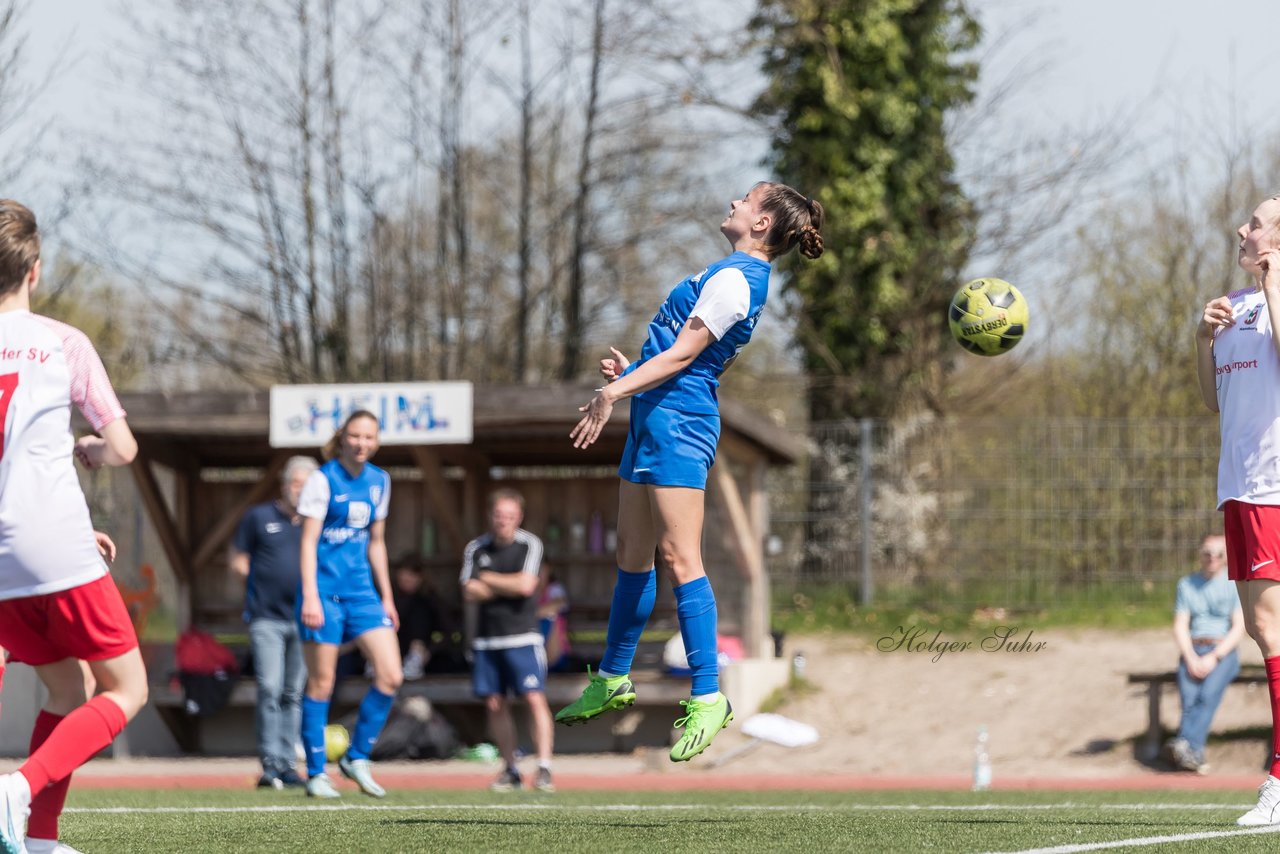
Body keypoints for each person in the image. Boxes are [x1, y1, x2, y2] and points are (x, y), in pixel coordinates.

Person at [555, 182, 824, 762]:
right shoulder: (725, 272)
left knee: (681, 559)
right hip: (657, 413)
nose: (734, 202)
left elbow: (683, 359)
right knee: (631, 554)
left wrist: (613, 392)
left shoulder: (737, 278)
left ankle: (708, 696)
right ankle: (613, 677)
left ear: (762, 224)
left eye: (747, 200)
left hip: (679, 424)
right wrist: (634, 372)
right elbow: (677, 357)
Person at [0, 200, 148, 854]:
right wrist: (87, 451)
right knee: (127, 688)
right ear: (34, 270)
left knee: (68, 685)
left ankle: (36, 838)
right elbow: (123, 447)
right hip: (51, 544)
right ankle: (20, 789)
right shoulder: (63, 343)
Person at [1198, 193, 1280, 825]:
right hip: (1241, 487)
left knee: (1275, 631)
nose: (1241, 229)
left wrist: (1274, 279)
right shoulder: (1239, 306)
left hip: (1275, 487)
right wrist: (1204, 340)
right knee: (1261, 632)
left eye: (1255, 223)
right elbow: (1213, 400)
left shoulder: (1274, 299)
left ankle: (1278, 779)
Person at [296, 410, 402, 799]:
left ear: (376, 441)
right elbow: (308, 542)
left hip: (362, 594)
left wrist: (387, 597)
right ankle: (314, 773)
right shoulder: (322, 480)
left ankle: (356, 757)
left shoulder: (380, 481)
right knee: (322, 683)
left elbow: (377, 542)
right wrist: (309, 594)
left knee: (391, 674)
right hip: (323, 593)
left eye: (368, 437)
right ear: (343, 438)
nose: (361, 443)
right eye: (354, 436)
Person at [230, 455, 318, 790]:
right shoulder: (259, 517)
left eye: (307, 485)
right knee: (269, 688)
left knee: (293, 693)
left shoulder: (315, 522)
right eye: (297, 484)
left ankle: (288, 765)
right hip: (266, 618)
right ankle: (269, 765)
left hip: (303, 619)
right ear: (284, 485)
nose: (301, 490)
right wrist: (251, 577)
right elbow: (238, 558)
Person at [460, 488, 555, 792]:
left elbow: (527, 585)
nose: (504, 521)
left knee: (533, 697)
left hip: (523, 636)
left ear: (519, 517)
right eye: (499, 515)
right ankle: (510, 768)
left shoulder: (530, 544)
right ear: (490, 515)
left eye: (510, 516)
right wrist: (506, 585)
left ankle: (543, 767)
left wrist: (487, 579)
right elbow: (467, 590)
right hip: (487, 638)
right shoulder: (476, 548)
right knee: (495, 703)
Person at [1161, 534, 1244, 773]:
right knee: (1189, 702)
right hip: (1193, 649)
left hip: (1223, 651)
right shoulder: (1186, 584)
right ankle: (1193, 755)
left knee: (1207, 696)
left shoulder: (1233, 584)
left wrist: (1214, 656)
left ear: (1225, 557)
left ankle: (1185, 745)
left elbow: (1238, 627)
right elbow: (1180, 625)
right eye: (1207, 553)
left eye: (1218, 554)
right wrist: (1190, 656)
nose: (1212, 558)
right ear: (1200, 555)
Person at [390, 554, 438, 680]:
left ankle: (414, 659)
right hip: (392, 646)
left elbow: (446, 632)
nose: (407, 579)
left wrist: (429, 650)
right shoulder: (389, 598)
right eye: (404, 574)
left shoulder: (429, 600)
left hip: (419, 652)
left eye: (412, 575)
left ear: (420, 578)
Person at [537, 571, 572, 672]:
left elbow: (560, 604)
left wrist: (535, 614)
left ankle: (547, 662)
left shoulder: (554, 588)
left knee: (550, 618)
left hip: (557, 652)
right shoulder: (528, 590)